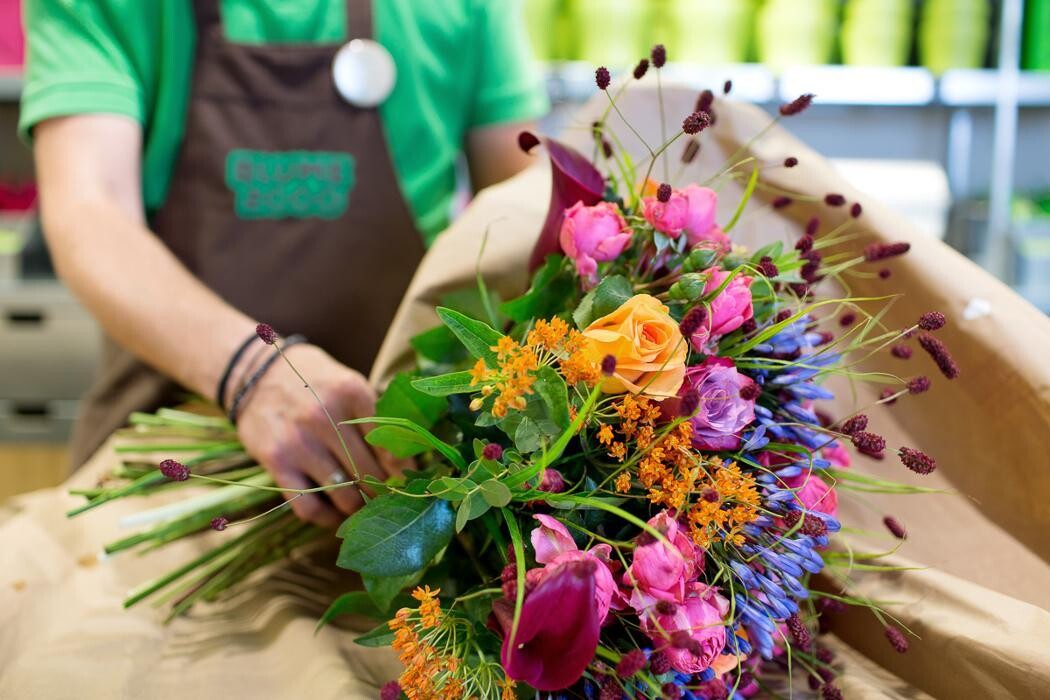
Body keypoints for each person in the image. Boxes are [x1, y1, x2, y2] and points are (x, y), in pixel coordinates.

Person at [21, 0, 546, 528]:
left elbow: (521, 220)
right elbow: (91, 209)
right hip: (167, 476)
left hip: (403, 488)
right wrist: (252, 373)